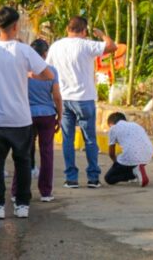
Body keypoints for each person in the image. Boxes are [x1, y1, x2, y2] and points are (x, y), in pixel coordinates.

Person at [0, 7, 54, 220]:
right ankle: (22, 205)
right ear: (16, 26)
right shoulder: (25, 50)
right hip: (21, 118)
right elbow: (47, 74)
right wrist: (27, 74)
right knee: (23, 161)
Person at [47, 16, 116, 189]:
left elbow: (48, 71)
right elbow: (112, 47)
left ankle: (71, 178)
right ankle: (93, 178)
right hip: (84, 98)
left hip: (64, 99)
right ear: (84, 31)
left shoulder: (56, 46)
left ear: (67, 29)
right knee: (90, 139)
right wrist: (102, 35)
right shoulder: (87, 45)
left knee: (67, 139)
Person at [14, 39, 62, 202]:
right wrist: (60, 116)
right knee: (47, 153)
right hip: (47, 115)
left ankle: (17, 191)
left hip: (26, 115)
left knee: (23, 153)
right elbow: (56, 96)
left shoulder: (24, 71)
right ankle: (46, 192)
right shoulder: (51, 71)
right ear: (45, 53)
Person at [105, 112, 153, 187]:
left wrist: (116, 163)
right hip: (148, 155)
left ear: (111, 123)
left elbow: (111, 153)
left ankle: (133, 173)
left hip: (132, 157)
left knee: (109, 178)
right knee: (127, 160)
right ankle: (137, 171)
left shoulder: (113, 128)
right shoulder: (136, 125)